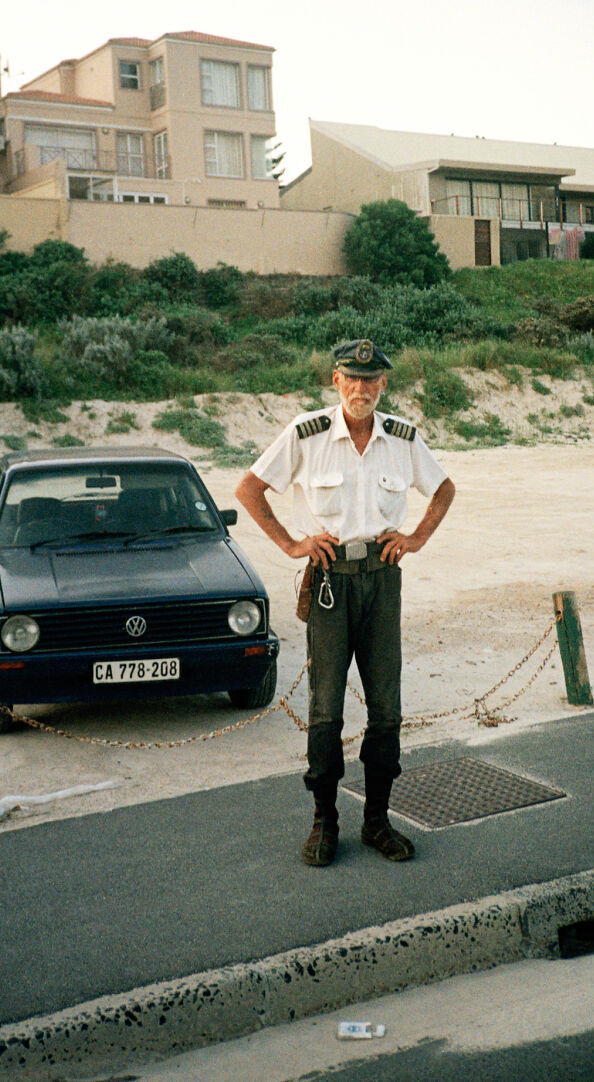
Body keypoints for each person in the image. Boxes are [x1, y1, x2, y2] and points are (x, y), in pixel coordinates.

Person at [235, 339, 455, 867]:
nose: (361, 389)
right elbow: (249, 489)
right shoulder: (306, 434)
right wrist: (292, 544)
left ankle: (377, 820)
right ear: (336, 380)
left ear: (384, 383)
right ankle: (324, 821)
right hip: (331, 584)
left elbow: (443, 489)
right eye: (352, 379)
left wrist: (417, 538)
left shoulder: (402, 437)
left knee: (386, 709)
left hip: (382, 583)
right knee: (325, 708)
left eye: (372, 380)